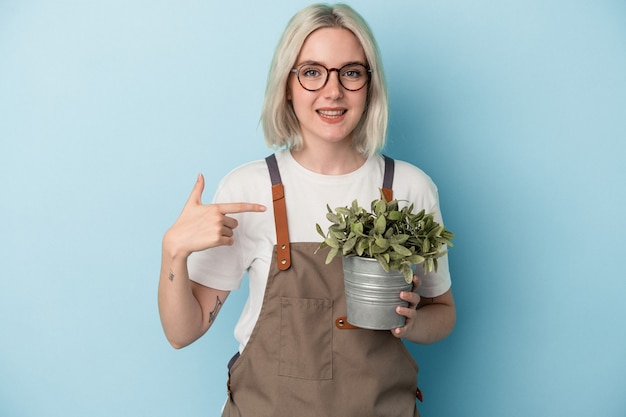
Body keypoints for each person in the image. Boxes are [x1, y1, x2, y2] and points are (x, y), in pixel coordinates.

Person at [158, 3, 455, 416]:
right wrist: (172, 251)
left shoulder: (408, 188)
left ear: (370, 85)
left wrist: (412, 322)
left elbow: (444, 311)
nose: (332, 91)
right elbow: (181, 332)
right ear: (287, 85)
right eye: (312, 72)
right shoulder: (249, 189)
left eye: (351, 72)